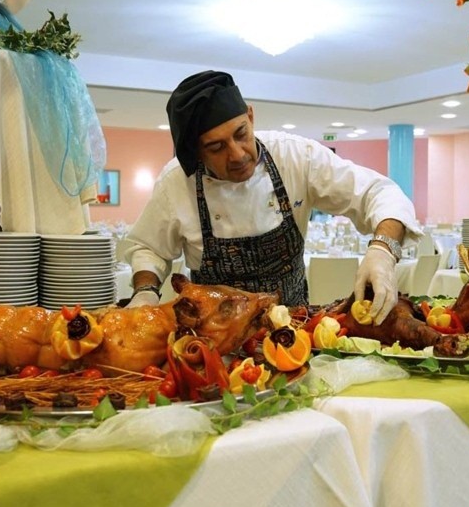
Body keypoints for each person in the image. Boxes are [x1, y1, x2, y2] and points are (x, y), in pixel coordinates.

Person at [123, 70, 421, 324]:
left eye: (241, 133)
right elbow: (149, 248)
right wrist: (145, 291)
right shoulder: (176, 182)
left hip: (293, 330)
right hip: (211, 340)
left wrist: (383, 250)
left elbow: (378, 192)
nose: (238, 154)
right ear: (196, 153)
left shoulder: (296, 157)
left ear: (250, 117)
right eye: (216, 148)